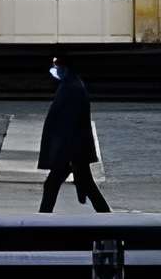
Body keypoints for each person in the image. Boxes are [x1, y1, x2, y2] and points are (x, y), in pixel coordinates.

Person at [37, 56, 108, 213]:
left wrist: (67, 155)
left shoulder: (71, 88)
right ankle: (108, 219)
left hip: (70, 151)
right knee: (87, 186)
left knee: (52, 185)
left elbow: (70, 124)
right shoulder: (71, 85)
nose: (56, 71)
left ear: (65, 68)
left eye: (58, 67)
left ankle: (42, 219)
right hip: (74, 150)